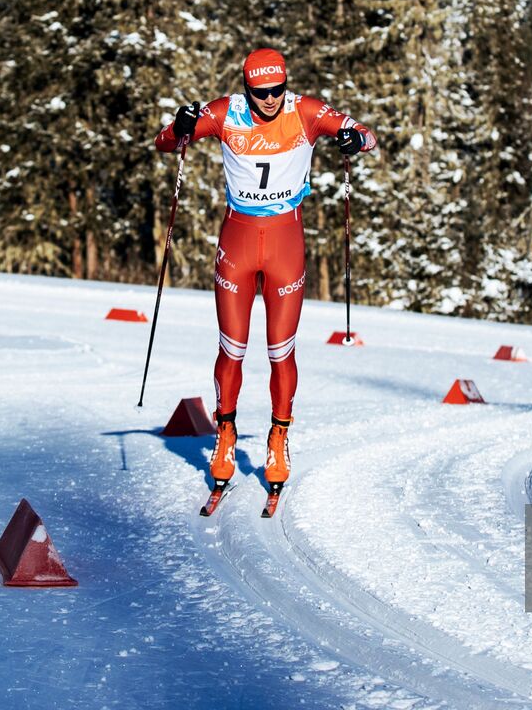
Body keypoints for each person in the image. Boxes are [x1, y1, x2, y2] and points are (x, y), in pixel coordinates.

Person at [155, 47, 375, 514]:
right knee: (231, 347)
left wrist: (354, 139)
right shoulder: (225, 112)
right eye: (261, 92)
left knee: (280, 350)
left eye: (277, 90)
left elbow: (365, 135)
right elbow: (165, 142)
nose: (270, 100)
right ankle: (226, 434)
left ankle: (279, 437)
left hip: (284, 243)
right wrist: (181, 126)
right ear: (247, 87)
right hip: (236, 240)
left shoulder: (306, 112)